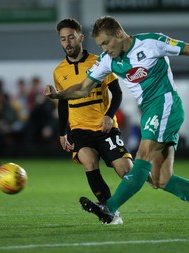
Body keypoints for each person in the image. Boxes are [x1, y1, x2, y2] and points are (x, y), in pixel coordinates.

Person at [44, 16, 189, 230]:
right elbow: (82, 88)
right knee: (161, 179)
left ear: (119, 33)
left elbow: (186, 49)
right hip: (151, 111)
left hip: (165, 105)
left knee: (142, 156)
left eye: (106, 43)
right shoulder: (108, 60)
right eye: (101, 45)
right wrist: (59, 95)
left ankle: (109, 207)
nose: (105, 49)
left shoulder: (151, 42)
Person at [52, 18, 134, 224]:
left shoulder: (101, 61)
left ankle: (147, 178)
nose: (67, 43)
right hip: (79, 128)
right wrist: (62, 132)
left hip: (104, 126)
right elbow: (63, 103)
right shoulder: (59, 72)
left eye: (71, 37)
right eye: (63, 39)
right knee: (88, 160)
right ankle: (110, 212)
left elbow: (117, 93)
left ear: (80, 38)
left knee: (126, 170)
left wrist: (109, 114)